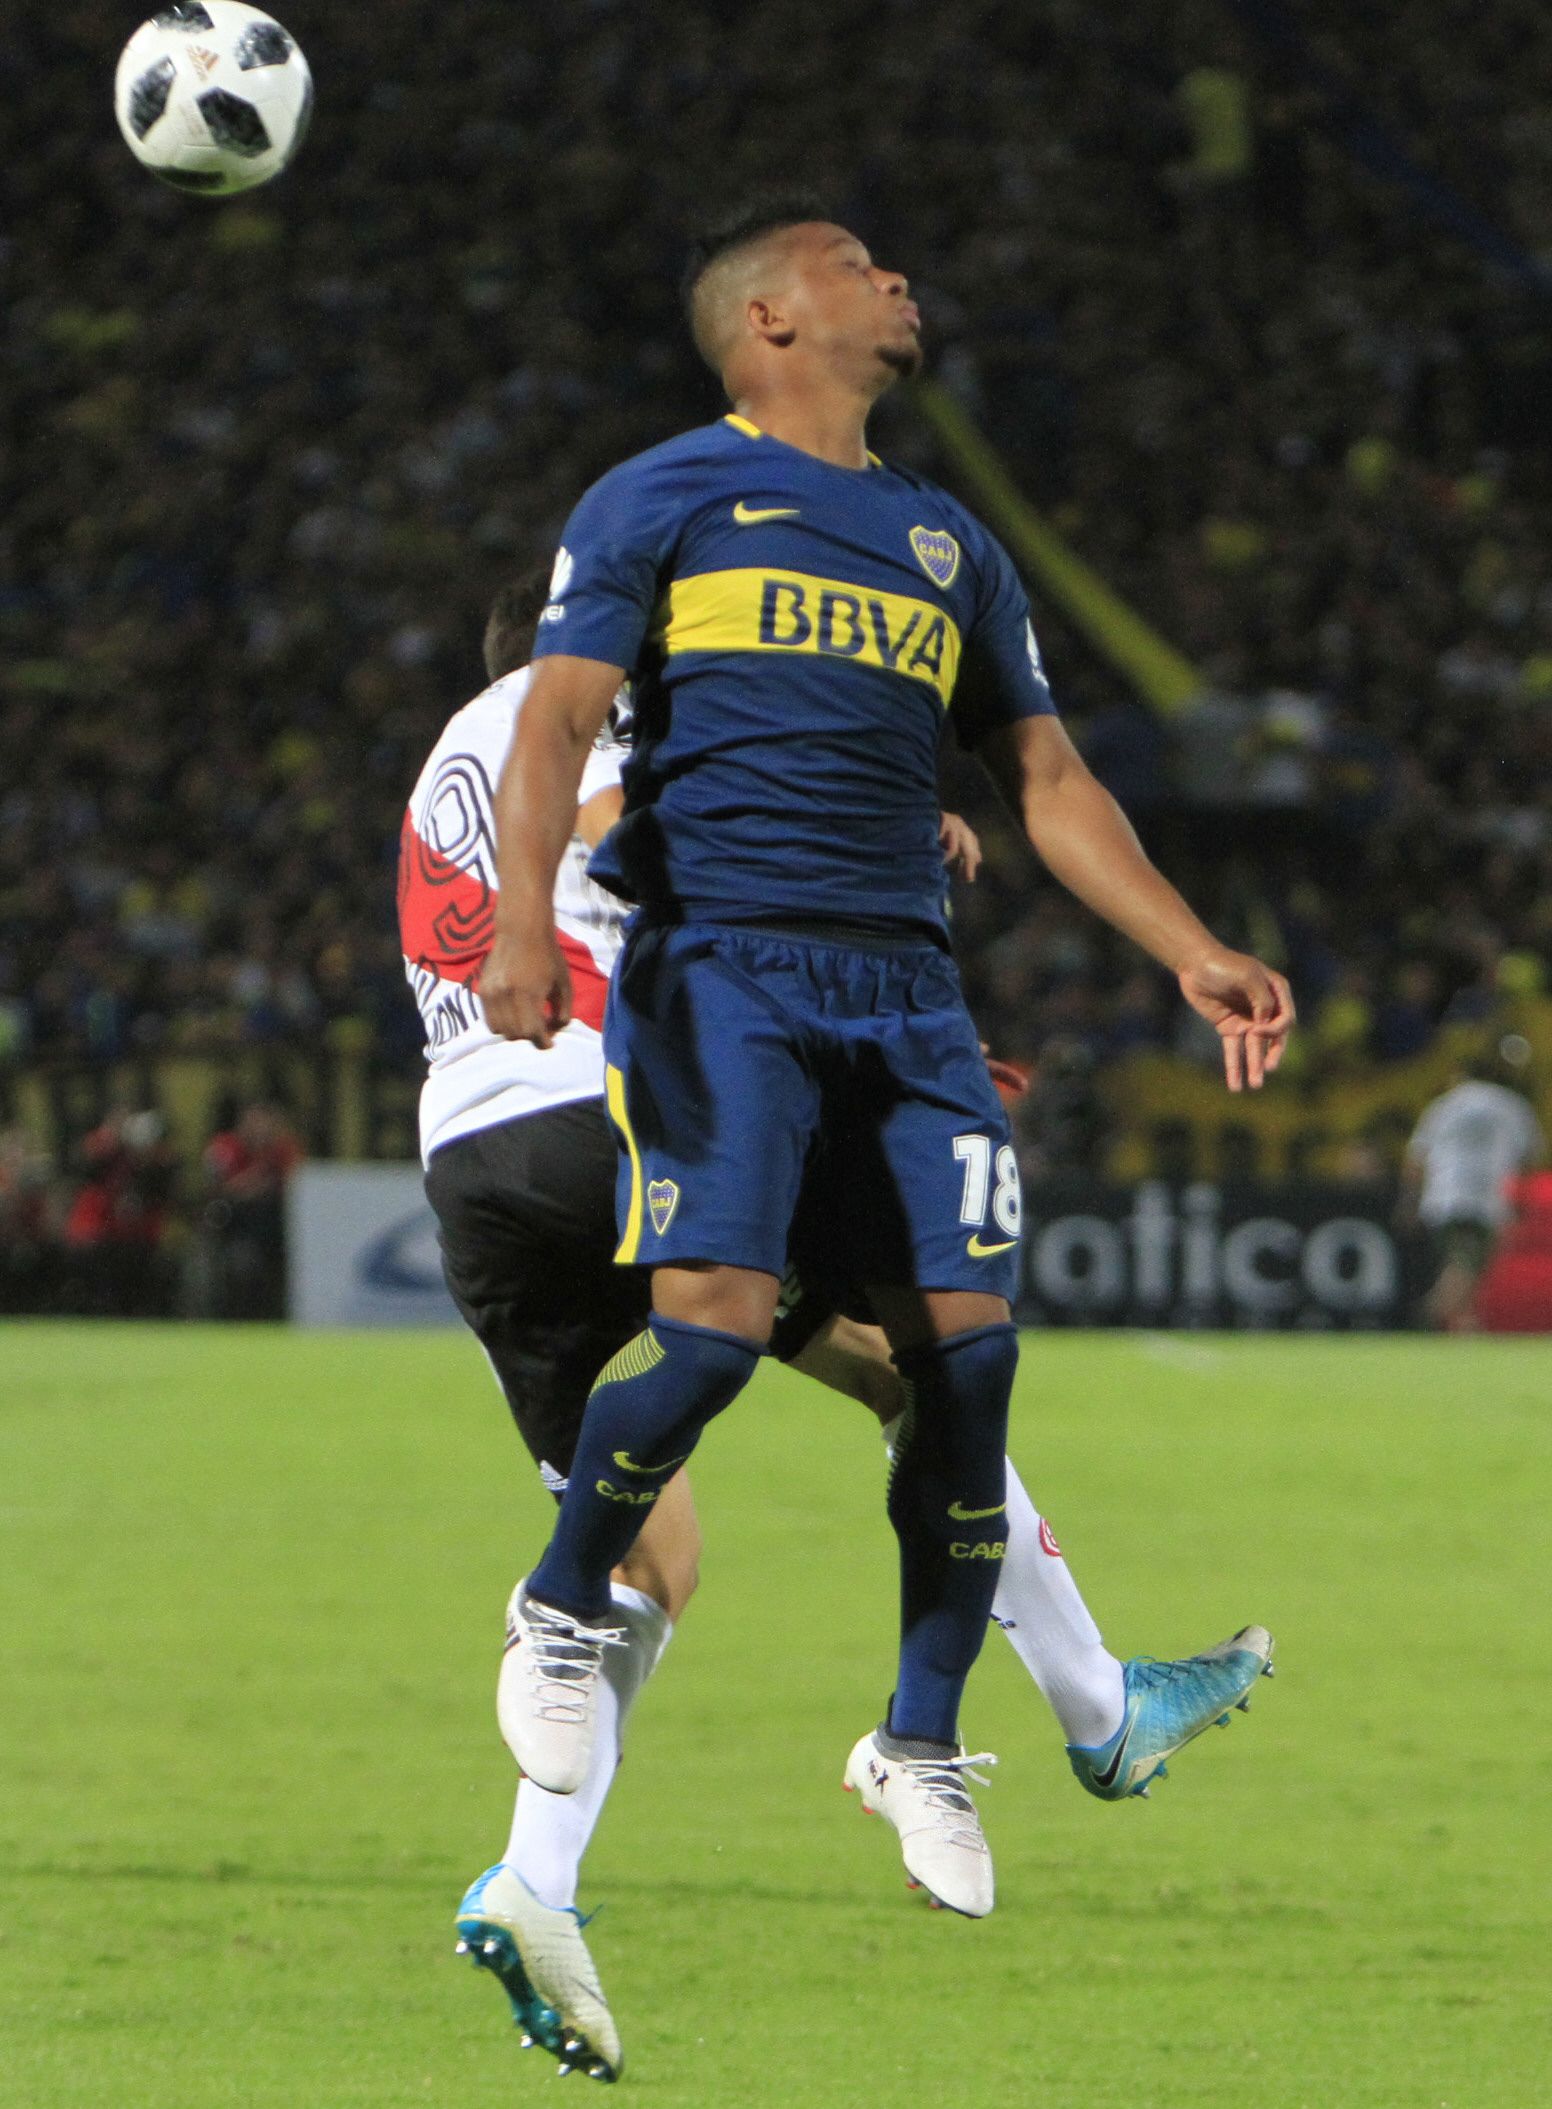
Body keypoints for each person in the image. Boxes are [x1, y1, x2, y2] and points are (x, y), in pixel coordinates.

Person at [479, 194, 1291, 1925]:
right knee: (709, 1334)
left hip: (907, 995)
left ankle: (918, 1737)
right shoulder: (660, 497)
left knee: (967, 1362)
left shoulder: (945, 542)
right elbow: (555, 718)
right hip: (722, 969)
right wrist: (523, 925)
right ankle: (560, 1599)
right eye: (855, 264)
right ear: (769, 319)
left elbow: (1047, 779)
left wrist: (1189, 944)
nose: (896, 278)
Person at [404, 569, 1279, 2080]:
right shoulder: (580, 709)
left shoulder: (451, 756)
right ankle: (1083, 1710)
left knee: (655, 1560)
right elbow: (631, 841)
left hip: (477, 1162)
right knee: (928, 1352)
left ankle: (532, 1885)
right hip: (624, 1107)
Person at [1401, 1041, 1546, 1330]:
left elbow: (1416, 1158)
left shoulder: (1446, 1104)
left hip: (1444, 1197)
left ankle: (1463, 1325)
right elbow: (1533, 1157)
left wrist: (1409, 1200)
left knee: (1463, 1263)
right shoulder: (1513, 1105)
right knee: (1467, 1264)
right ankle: (1428, 1317)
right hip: (1488, 1200)